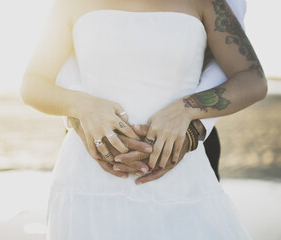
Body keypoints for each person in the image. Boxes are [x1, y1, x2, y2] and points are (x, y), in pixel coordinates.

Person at [21, 0, 267, 238]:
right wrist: (83, 107)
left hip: (181, 174)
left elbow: (252, 77)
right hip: (88, 176)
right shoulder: (70, 3)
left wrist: (187, 110)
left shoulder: (207, 2)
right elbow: (33, 82)